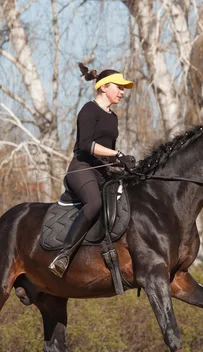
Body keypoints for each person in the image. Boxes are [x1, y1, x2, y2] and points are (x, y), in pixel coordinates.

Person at [48, 63, 136, 277]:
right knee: (95, 203)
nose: (123, 93)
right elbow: (86, 144)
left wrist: (121, 163)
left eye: (124, 89)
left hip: (103, 171)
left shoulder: (112, 117)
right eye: (119, 87)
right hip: (82, 168)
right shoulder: (89, 110)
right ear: (104, 87)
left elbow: (108, 150)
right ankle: (63, 255)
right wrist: (117, 154)